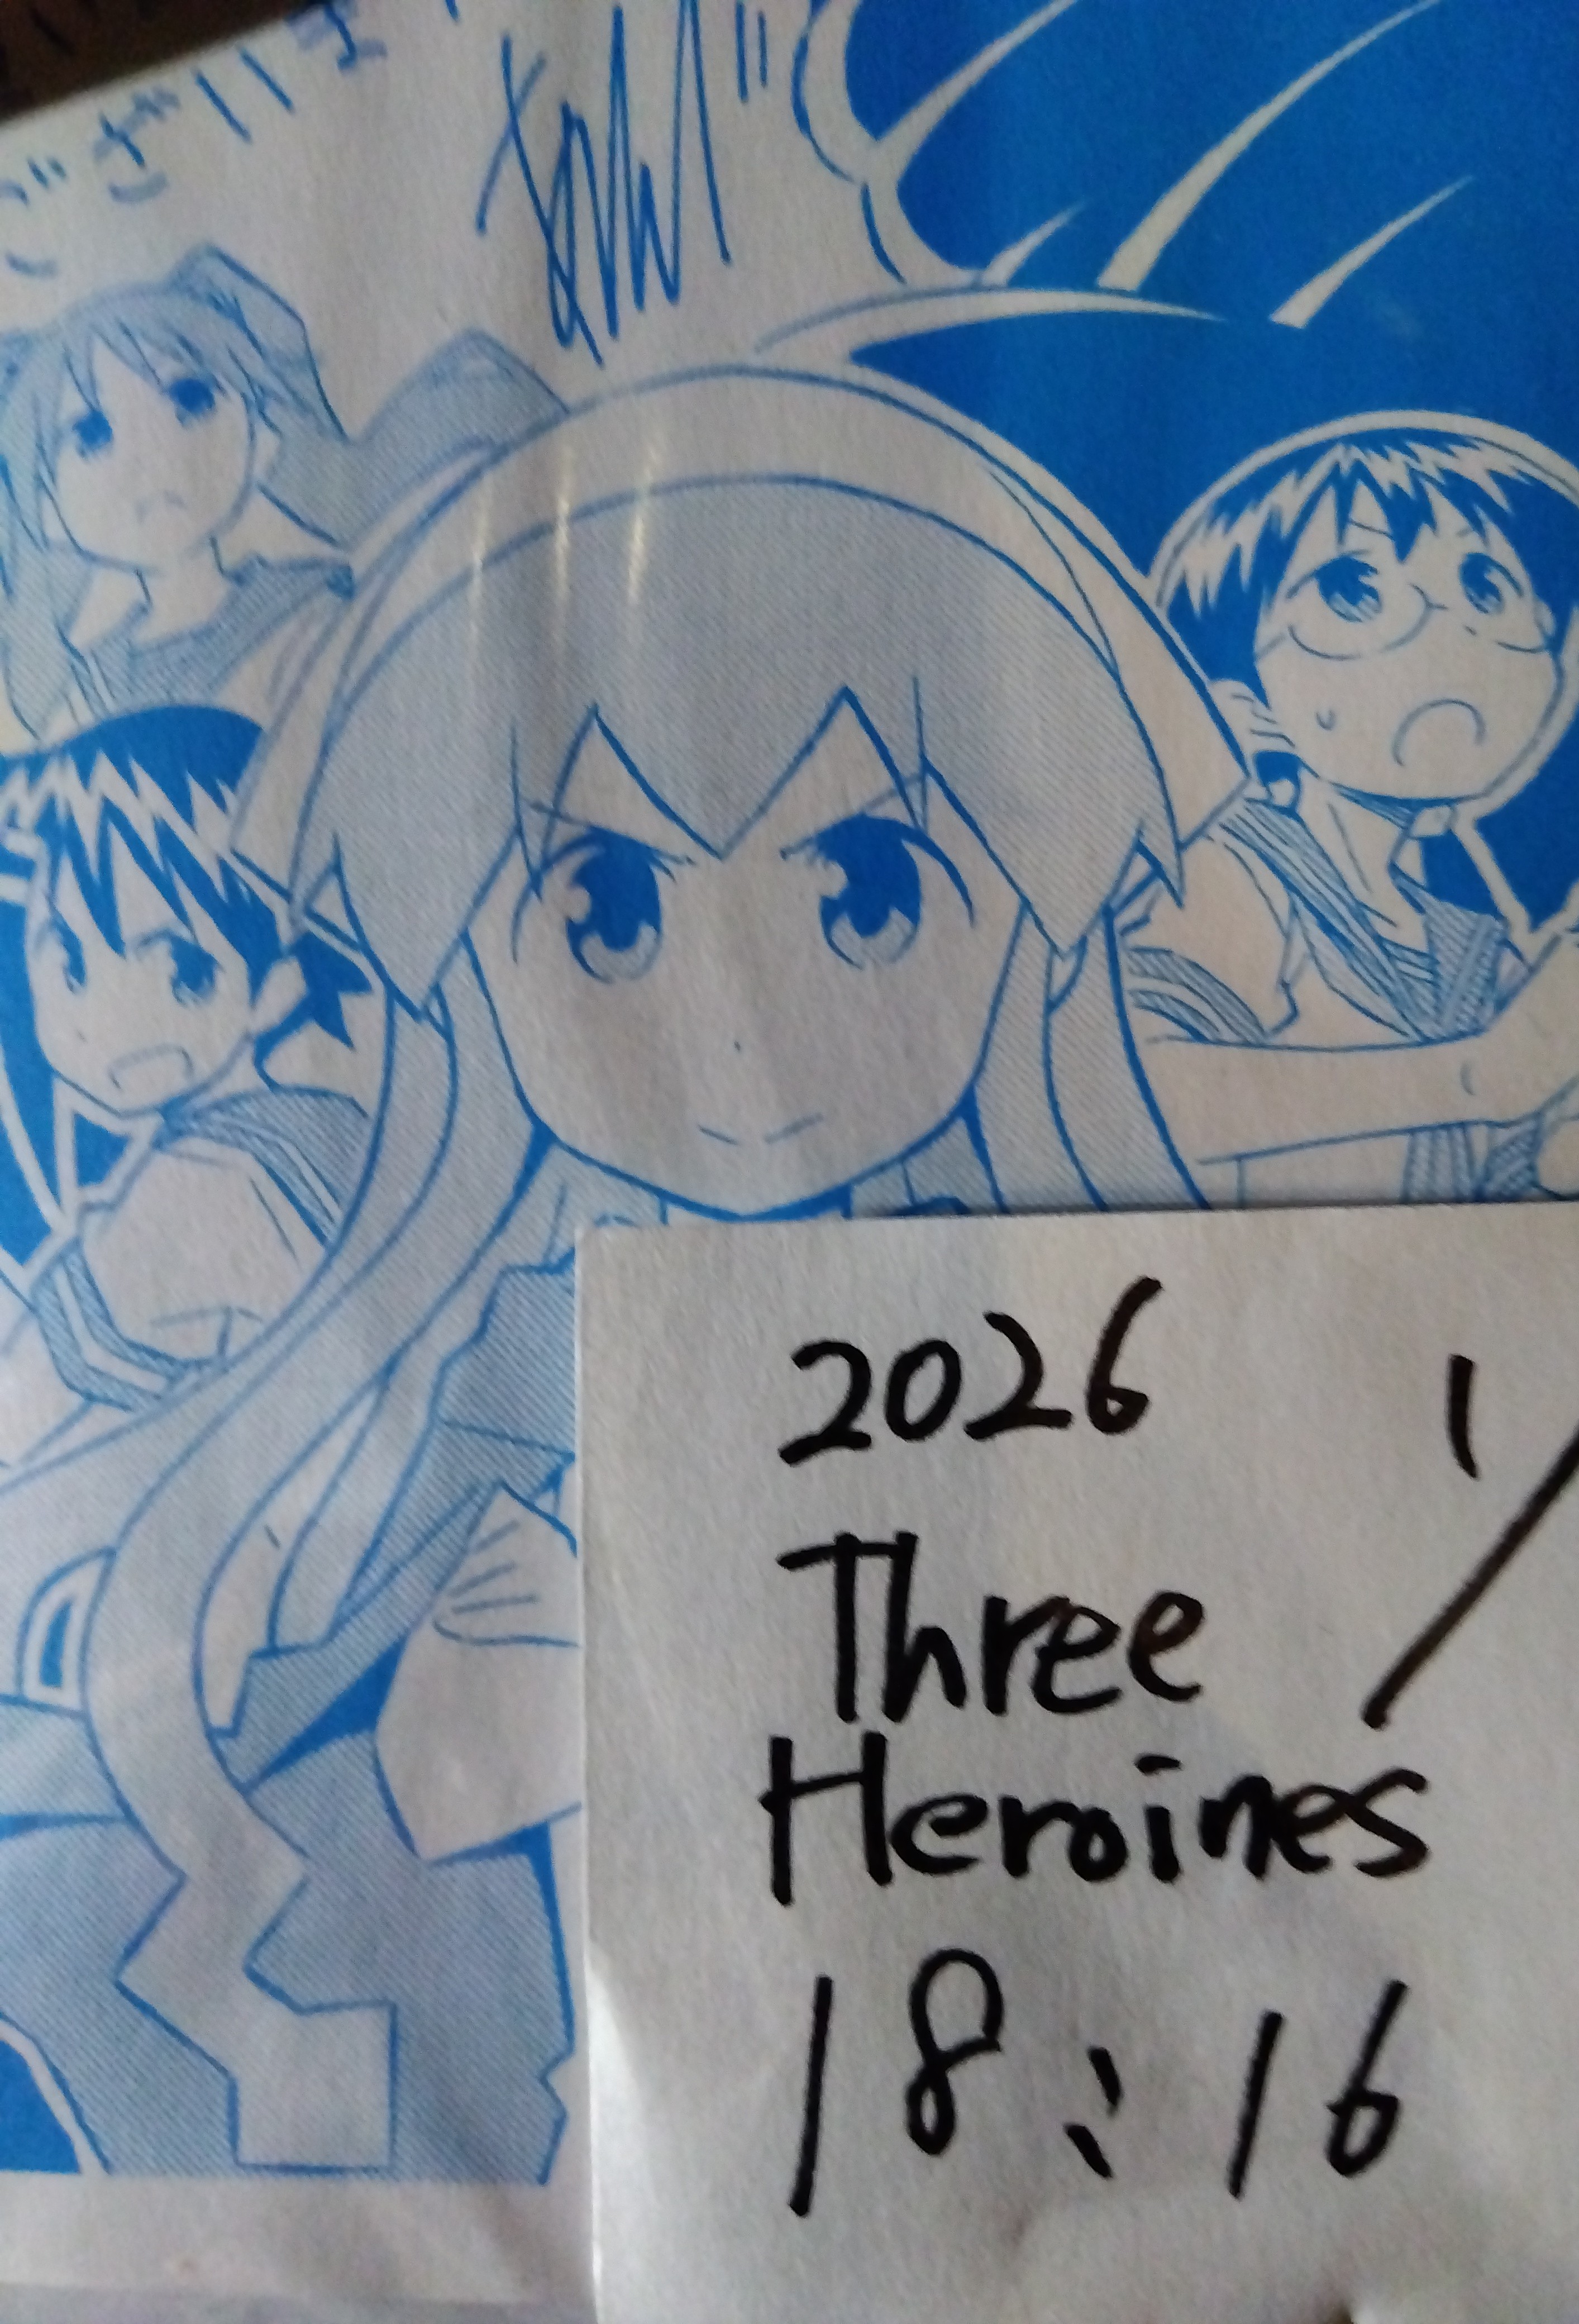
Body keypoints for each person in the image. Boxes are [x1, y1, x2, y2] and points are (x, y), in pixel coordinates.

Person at [0, 366, 1242, 2178]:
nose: (734, 1037)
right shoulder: (507, 1313)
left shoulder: (1066, 1337)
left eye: (869, 893)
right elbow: (383, 1659)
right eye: (607, 913)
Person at [1132, 417, 1579, 1205]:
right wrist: (1480, 1074)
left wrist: (1574, 1114)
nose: (1451, 627)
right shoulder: (1235, 873)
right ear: (1246, 707)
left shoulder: (1476, 953)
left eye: (1487, 587)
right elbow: (1143, 1090)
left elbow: (1515, 1176)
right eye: (1354, 589)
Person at [0, 703, 374, 1467]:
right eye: (73, 964)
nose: (106, 1017)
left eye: (186, 972)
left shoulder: (202, 1183)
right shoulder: (334, 1124)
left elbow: (29, 1403)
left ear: (283, 980)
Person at [0, 245, 564, 742]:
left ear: (263, 436)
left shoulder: (310, 611)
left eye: (192, 400)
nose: (149, 459)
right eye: (92, 435)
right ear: (46, 510)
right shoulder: (94, 684)